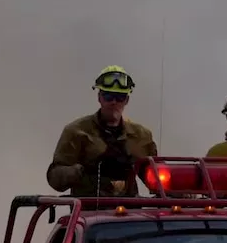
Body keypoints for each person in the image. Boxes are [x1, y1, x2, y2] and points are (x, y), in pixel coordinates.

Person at [46, 65, 159, 197]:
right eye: (108, 96)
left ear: (127, 100)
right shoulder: (77, 132)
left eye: (119, 97)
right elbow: (54, 178)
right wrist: (83, 170)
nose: (114, 102)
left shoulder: (141, 136)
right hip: (88, 212)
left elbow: (159, 179)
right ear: (99, 98)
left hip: (130, 212)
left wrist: (179, 192)